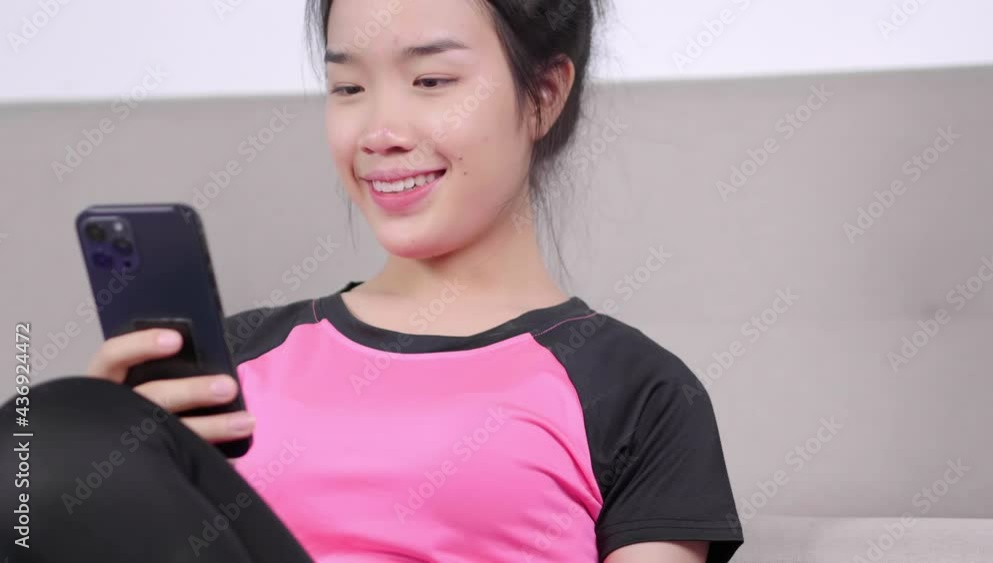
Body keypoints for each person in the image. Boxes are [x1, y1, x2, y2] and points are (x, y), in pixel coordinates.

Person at [1, 0, 744, 561]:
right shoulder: (235, 362)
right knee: (46, 437)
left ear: (544, 94)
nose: (379, 132)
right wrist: (112, 461)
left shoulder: (640, 393)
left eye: (431, 80)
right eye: (349, 87)